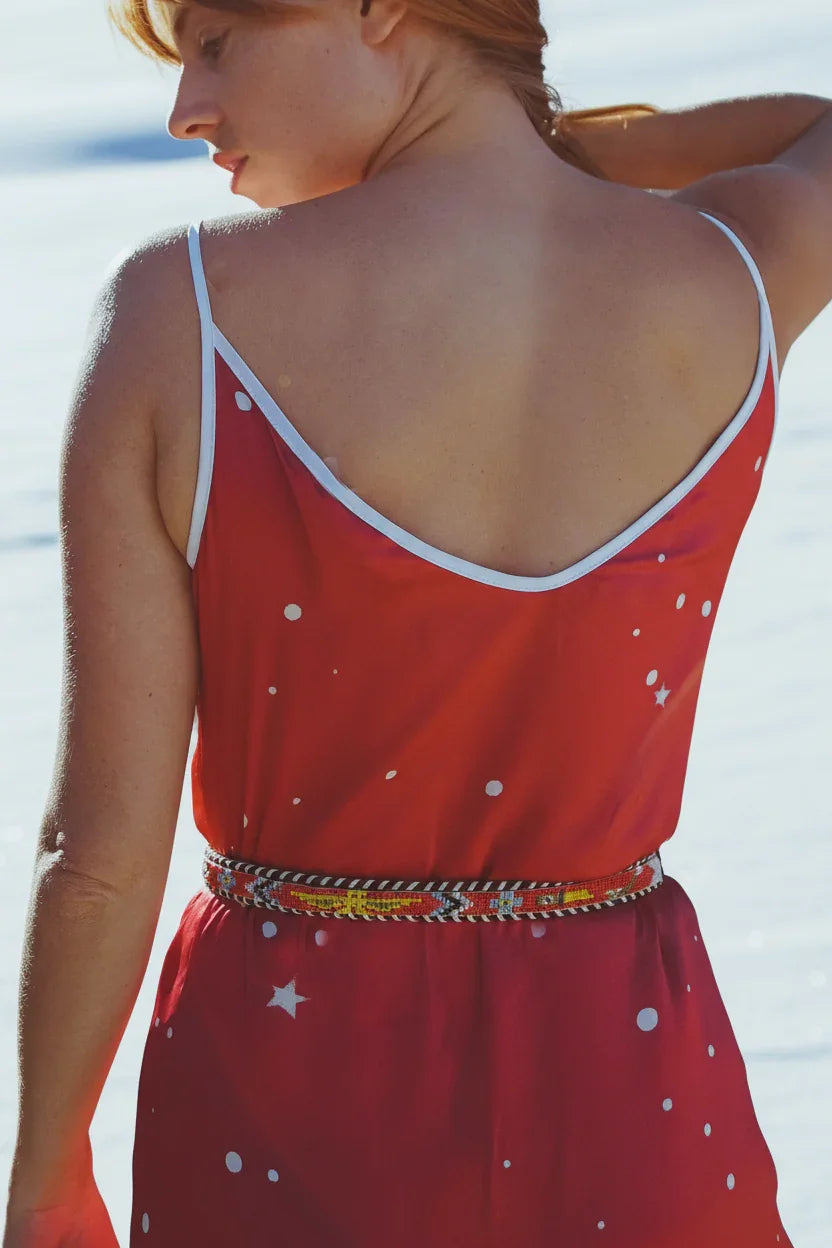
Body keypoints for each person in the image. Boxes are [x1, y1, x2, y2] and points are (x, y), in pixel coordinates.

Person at [3, 0, 831, 1241]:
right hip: (634, 1081)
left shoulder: (182, 315)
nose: (186, 113)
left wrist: (48, 1166)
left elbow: (100, 853)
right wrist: (547, 161)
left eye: (216, 42)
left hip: (290, 1098)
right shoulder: (736, 269)